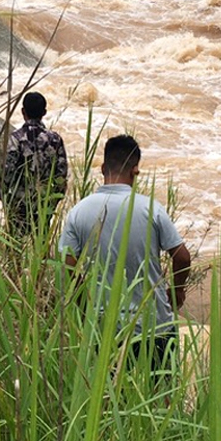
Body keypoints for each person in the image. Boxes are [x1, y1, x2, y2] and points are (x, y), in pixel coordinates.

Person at [58, 134, 192, 373]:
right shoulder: (151, 209)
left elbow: (67, 267)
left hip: (103, 327)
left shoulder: (78, 212)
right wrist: (177, 290)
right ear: (135, 171)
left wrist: (84, 306)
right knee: (162, 397)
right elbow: (182, 257)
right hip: (154, 325)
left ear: (102, 169)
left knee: (107, 397)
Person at [0, 91, 68, 239]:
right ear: (44, 112)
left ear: (23, 111)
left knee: (15, 244)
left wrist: (3, 193)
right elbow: (61, 173)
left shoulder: (15, 139)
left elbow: (7, 171)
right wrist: (55, 199)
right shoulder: (54, 139)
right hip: (45, 202)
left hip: (19, 202)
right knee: (41, 243)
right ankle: (42, 262)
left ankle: (15, 262)